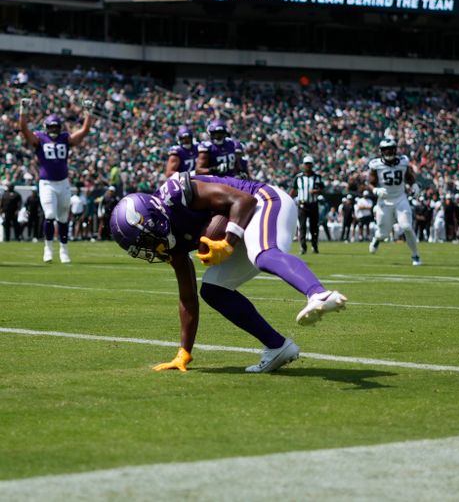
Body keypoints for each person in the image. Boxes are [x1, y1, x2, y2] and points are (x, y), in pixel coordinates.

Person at [109, 172, 347, 373]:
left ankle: (318, 294)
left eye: (146, 242)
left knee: (263, 253)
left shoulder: (177, 194)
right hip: (243, 219)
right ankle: (277, 346)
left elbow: (243, 201)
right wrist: (184, 351)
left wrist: (229, 242)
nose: (150, 250)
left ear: (154, 220)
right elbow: (188, 297)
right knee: (213, 291)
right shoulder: (171, 243)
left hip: (264, 200)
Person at [18, 98, 93, 263]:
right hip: (46, 183)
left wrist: (88, 112)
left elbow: (85, 129)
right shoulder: (39, 139)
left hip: (64, 183)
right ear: (46, 127)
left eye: (56, 126)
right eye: (51, 126)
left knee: (64, 218)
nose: (53, 129)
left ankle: (64, 250)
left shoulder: (65, 139)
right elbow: (23, 129)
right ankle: (48, 248)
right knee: (50, 215)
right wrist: (23, 110)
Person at [367, 138, 421, 265]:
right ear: (381, 151)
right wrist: (375, 190)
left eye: (391, 149)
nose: (388, 152)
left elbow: (408, 177)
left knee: (407, 227)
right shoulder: (376, 165)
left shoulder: (403, 161)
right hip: (384, 201)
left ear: (395, 149)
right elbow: (370, 183)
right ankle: (376, 239)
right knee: (383, 234)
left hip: (400, 198)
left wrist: (414, 185)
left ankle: (415, 255)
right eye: (385, 150)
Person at [290, 155, 324, 255]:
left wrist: (316, 191)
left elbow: (322, 189)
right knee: (302, 226)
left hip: (313, 204)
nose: (308, 166)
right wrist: (288, 198)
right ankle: (303, 247)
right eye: (306, 164)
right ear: (303, 165)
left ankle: (314, 246)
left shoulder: (317, 177)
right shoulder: (299, 177)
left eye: (310, 164)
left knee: (314, 227)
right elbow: (294, 190)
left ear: (312, 165)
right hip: (302, 205)